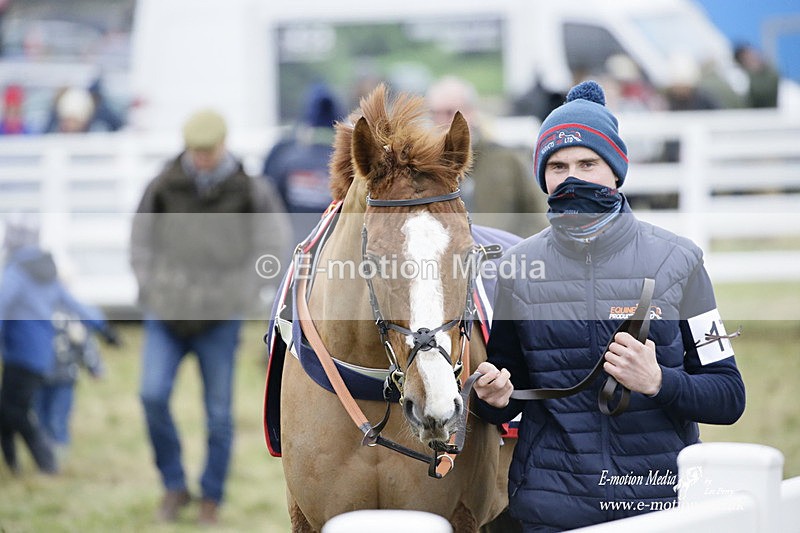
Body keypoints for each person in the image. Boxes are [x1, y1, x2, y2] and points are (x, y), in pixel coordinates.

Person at [472, 80, 746, 532]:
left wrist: (659, 381)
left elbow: (729, 396)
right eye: (557, 166)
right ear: (542, 177)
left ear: (616, 171)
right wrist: (493, 398)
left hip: (661, 505)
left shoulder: (681, 261)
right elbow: (504, 388)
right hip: (552, 508)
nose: (572, 177)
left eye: (588, 163)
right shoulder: (516, 269)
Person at [130, 108, 289, 525]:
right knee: (151, 395)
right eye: (195, 150)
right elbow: (141, 238)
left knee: (219, 414)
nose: (202, 158)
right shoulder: (164, 184)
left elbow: (272, 242)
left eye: (209, 150)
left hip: (220, 318)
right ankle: (173, 485)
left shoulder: (251, 189)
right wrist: (151, 285)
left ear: (223, 144)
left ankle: (211, 496)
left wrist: (243, 292)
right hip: (166, 312)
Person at [0, 214, 117, 475]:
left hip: (20, 353)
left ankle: (46, 461)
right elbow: (74, 303)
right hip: (41, 353)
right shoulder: (45, 271)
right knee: (7, 409)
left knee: (13, 410)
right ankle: (13, 465)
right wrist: (104, 327)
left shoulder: (17, 271)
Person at [426, 76, 547, 237]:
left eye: (449, 113)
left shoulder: (508, 160)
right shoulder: (424, 170)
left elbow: (539, 217)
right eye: (435, 114)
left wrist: (518, 253)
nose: (441, 121)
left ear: (471, 112)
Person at [262, 82, 342, 245]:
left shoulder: (286, 159)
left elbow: (271, 206)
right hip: (332, 252)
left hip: (293, 253)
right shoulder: (346, 167)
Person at [35, 307, 114, 460]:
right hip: (38, 376)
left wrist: (95, 367)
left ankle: (58, 457)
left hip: (65, 378)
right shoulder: (35, 313)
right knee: (39, 417)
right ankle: (42, 455)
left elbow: (85, 344)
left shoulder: (72, 318)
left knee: (58, 419)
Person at [734, 43, 780, 109]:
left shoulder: (770, 74)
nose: (754, 58)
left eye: (753, 54)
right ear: (741, 61)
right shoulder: (740, 78)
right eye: (748, 57)